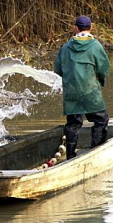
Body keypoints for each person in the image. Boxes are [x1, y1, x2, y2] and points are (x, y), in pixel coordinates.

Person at [54, 15, 111, 160]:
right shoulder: (96, 46)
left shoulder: (65, 47)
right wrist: (99, 81)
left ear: (76, 28)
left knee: (73, 124)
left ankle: (71, 157)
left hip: (71, 92)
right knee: (101, 120)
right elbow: (104, 68)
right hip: (91, 92)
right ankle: (95, 153)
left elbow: (58, 70)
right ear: (91, 27)